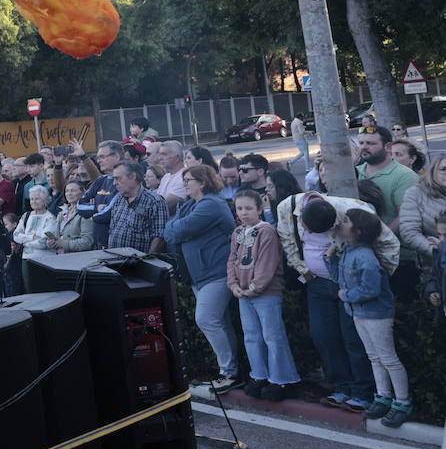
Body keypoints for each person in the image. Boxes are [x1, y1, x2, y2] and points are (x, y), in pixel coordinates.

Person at [284, 196, 398, 413]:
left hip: (349, 286)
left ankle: (363, 392)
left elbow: (390, 244)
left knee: (352, 339)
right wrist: (302, 269)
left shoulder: (351, 211)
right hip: (317, 283)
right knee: (323, 336)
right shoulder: (288, 208)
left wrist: (377, 281)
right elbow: (287, 240)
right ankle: (341, 387)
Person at [328, 208, 412, 427]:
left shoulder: (365, 256)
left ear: (358, 229)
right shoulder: (347, 250)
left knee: (388, 358)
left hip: (376, 314)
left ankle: (402, 402)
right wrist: (330, 258)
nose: (341, 223)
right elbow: (339, 278)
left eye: (346, 221)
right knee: (374, 356)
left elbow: (370, 288)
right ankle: (383, 396)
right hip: (359, 312)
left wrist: (346, 295)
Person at [164, 164, 240, 391]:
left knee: (206, 319)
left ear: (203, 182)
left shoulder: (211, 204)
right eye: (184, 179)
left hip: (216, 273)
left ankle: (229, 372)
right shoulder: (190, 205)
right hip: (200, 275)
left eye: (189, 180)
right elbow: (169, 231)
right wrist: (179, 229)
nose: (185, 183)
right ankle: (232, 371)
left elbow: (176, 231)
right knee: (221, 323)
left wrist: (180, 230)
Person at [227, 189, 300, 401]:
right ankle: (259, 375)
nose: (244, 212)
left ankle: (283, 380)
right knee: (252, 336)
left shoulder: (267, 231)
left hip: (266, 293)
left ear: (259, 209)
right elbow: (232, 260)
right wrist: (233, 285)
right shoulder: (238, 232)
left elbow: (267, 264)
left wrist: (254, 287)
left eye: (249, 208)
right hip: (243, 293)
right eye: (240, 208)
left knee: (273, 337)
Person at [356, 126, 419, 296]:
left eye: (370, 143)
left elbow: (404, 216)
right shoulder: (354, 173)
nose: (364, 147)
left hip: (398, 259)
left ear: (388, 147)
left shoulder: (404, 176)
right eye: (361, 142)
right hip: (362, 257)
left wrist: (377, 240)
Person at [101, 162, 167, 254]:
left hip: (139, 263)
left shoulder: (155, 201)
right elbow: (112, 230)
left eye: (118, 178)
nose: (114, 183)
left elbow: (159, 236)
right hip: (115, 260)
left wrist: (150, 260)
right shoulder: (118, 200)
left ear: (132, 176)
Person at [400, 159, 446, 268]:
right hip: (435, 266)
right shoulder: (416, 193)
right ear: (433, 171)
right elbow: (409, 233)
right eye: (444, 169)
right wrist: (439, 252)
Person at [47, 181, 95, 253]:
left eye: (73, 191)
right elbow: (56, 235)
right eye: (67, 191)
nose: (69, 194)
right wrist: (51, 243)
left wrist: (64, 244)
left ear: (82, 193)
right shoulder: (62, 212)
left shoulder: (86, 212)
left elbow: (87, 242)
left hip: (77, 258)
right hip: (60, 257)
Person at [153, 141, 188, 212]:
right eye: (159, 154)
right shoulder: (166, 177)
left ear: (177, 157)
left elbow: (167, 204)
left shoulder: (184, 176)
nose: (160, 158)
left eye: (164, 154)